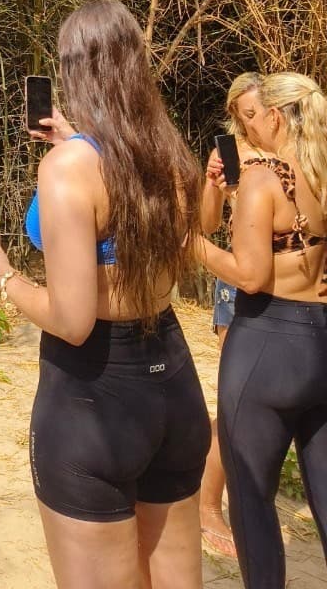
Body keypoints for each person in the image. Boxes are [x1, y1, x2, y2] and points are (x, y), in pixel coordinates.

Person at [0, 0, 210, 589]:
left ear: (73, 69)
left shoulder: (66, 170)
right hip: (174, 387)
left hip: (93, 401)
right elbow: (165, 257)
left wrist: (2, 276)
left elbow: (73, 320)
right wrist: (80, 136)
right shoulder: (171, 155)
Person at [195, 72, 327, 588]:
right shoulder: (318, 170)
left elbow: (250, 275)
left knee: (251, 501)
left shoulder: (262, 181)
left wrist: (187, 242)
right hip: (320, 344)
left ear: (274, 115)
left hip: (268, 344)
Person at [199, 71, 263, 559]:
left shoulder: (297, 153)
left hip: (291, 289)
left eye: (259, 110)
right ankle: (208, 505)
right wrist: (214, 184)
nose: (255, 120)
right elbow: (206, 226)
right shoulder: (230, 155)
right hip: (236, 283)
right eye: (245, 114)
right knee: (235, 400)